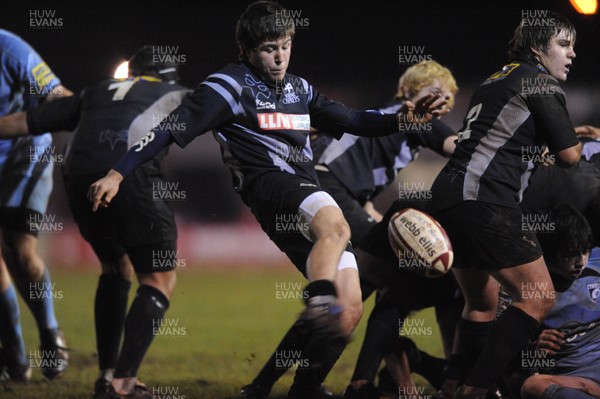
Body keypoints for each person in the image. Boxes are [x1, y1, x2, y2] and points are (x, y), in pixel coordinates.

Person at [88, 2, 448, 398]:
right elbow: (171, 129)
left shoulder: (299, 88)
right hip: (270, 185)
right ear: (245, 49)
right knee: (338, 229)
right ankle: (318, 297)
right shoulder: (228, 85)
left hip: (300, 197)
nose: (278, 57)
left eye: (285, 45)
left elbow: (353, 120)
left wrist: (402, 119)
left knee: (348, 312)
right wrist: (118, 171)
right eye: (267, 49)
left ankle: (304, 386)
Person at [239, 60, 459, 399]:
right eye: (433, 93)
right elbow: (458, 149)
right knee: (397, 282)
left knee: (344, 300)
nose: (439, 104)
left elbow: (364, 190)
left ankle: (266, 385)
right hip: (329, 186)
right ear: (408, 92)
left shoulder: (400, 129)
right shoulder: (410, 117)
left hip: (334, 189)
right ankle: (374, 380)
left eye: (446, 98)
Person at [0, 45, 189, 398]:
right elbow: (232, 116)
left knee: (115, 268)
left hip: (79, 181)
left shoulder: (95, 92)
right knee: (160, 277)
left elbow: (28, 121)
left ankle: (106, 376)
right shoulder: (178, 93)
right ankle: (122, 384)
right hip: (128, 177)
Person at [426, 11, 581, 399]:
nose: (572, 53)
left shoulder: (495, 79)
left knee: (481, 302)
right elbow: (570, 156)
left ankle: (453, 384)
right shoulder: (541, 82)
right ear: (536, 48)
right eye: (563, 44)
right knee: (539, 296)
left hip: (446, 194)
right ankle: (477, 389)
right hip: (484, 198)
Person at [0, 28, 72, 382]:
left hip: (23, 159)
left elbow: (58, 96)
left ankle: (50, 332)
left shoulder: (10, 49)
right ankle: (14, 356)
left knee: (20, 252)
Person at [519, 208, 599, 399]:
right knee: (532, 385)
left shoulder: (597, 261)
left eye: (584, 251)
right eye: (571, 254)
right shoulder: (526, 290)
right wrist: (536, 351)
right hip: (577, 379)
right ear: (551, 253)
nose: (581, 262)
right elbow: (517, 364)